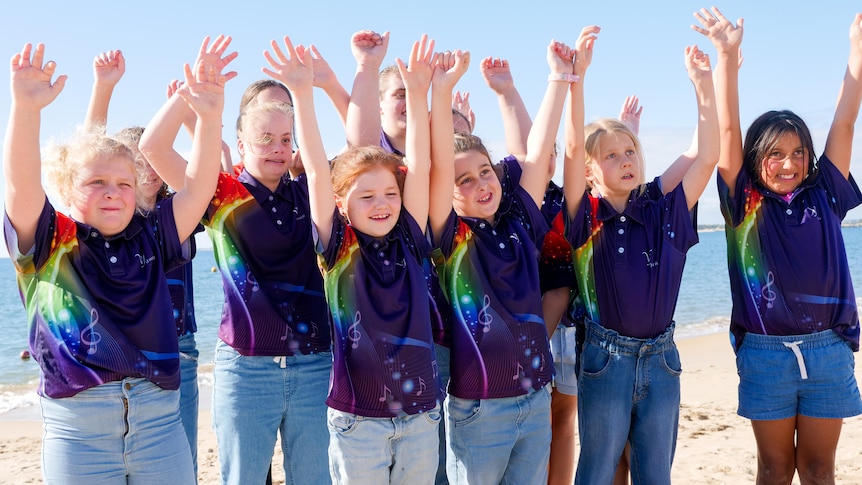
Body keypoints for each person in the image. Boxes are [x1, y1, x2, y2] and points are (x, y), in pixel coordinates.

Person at [3, 39, 231, 483]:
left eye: (125, 183)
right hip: (79, 426)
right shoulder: (52, 243)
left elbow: (200, 188)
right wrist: (26, 111)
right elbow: (21, 186)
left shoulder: (152, 233)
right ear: (69, 191)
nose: (113, 191)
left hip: (159, 420)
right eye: (98, 182)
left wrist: (208, 116)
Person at [139, 37, 333, 485]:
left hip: (315, 364)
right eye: (264, 138)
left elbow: (345, 157)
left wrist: (307, 93)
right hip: (246, 370)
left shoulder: (311, 190)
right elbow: (154, 148)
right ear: (240, 141)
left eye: (285, 139)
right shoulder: (221, 193)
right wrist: (189, 97)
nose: (276, 147)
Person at [694, 7, 862, 484]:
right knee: (774, 468)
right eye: (775, 154)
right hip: (764, 353)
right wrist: (725, 56)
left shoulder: (826, 190)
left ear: (809, 157)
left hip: (829, 348)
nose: (788, 164)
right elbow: (727, 132)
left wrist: (856, 52)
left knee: (818, 469)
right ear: (755, 160)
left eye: (797, 153)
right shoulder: (742, 201)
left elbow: (846, 122)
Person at [271, 33, 444, 484]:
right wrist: (301, 94)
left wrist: (422, 92)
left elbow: (421, 167)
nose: (382, 203)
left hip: (422, 415)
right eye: (366, 196)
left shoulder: (410, 236)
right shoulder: (336, 248)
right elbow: (312, 163)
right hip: (357, 420)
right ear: (342, 204)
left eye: (389, 192)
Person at [562, 25, 719, 484]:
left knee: (656, 474)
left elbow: (706, 156)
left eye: (630, 149)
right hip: (604, 361)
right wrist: (578, 79)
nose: (626, 158)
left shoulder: (662, 212)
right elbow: (573, 149)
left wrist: (702, 85)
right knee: (596, 470)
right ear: (589, 172)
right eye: (611, 155)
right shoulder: (584, 219)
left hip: (663, 358)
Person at [427, 38, 574, 484]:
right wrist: (440, 90)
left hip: (534, 397)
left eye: (485, 172)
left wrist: (557, 78)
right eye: (464, 181)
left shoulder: (521, 220)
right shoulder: (449, 236)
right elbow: (433, 167)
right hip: (478, 408)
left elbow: (540, 151)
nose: (480, 184)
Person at [83, 49, 206, 481]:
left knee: (180, 458)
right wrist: (104, 87)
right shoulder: (113, 221)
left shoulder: (178, 214)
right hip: (121, 357)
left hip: (180, 349)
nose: (147, 166)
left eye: (150, 157)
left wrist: (196, 110)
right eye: (134, 160)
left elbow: (205, 170)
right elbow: (87, 157)